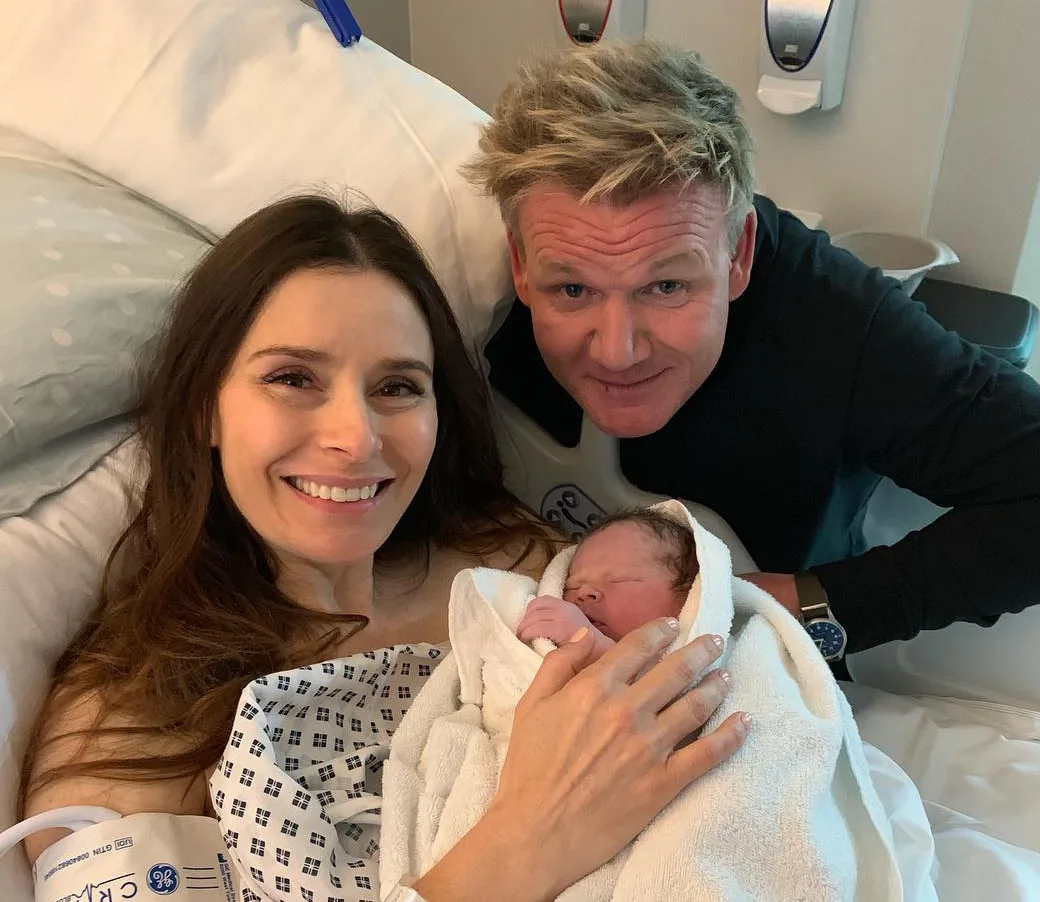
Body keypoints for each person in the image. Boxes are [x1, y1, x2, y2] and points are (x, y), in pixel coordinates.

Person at [16, 195, 751, 902]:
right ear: (205, 407)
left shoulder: (511, 564)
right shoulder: (130, 733)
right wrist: (534, 837)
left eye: (397, 387)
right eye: (292, 378)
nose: (356, 437)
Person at [471, 39, 1040, 660]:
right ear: (520, 264)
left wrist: (781, 608)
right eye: (572, 289)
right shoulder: (467, 300)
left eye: (667, 286)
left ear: (739, 255)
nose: (617, 353)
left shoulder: (834, 323)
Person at [517, 508, 698, 653]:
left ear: (690, 598)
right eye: (572, 585)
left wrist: (589, 644)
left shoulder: (697, 662)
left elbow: (640, 681)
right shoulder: (524, 602)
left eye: (618, 580)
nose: (584, 592)